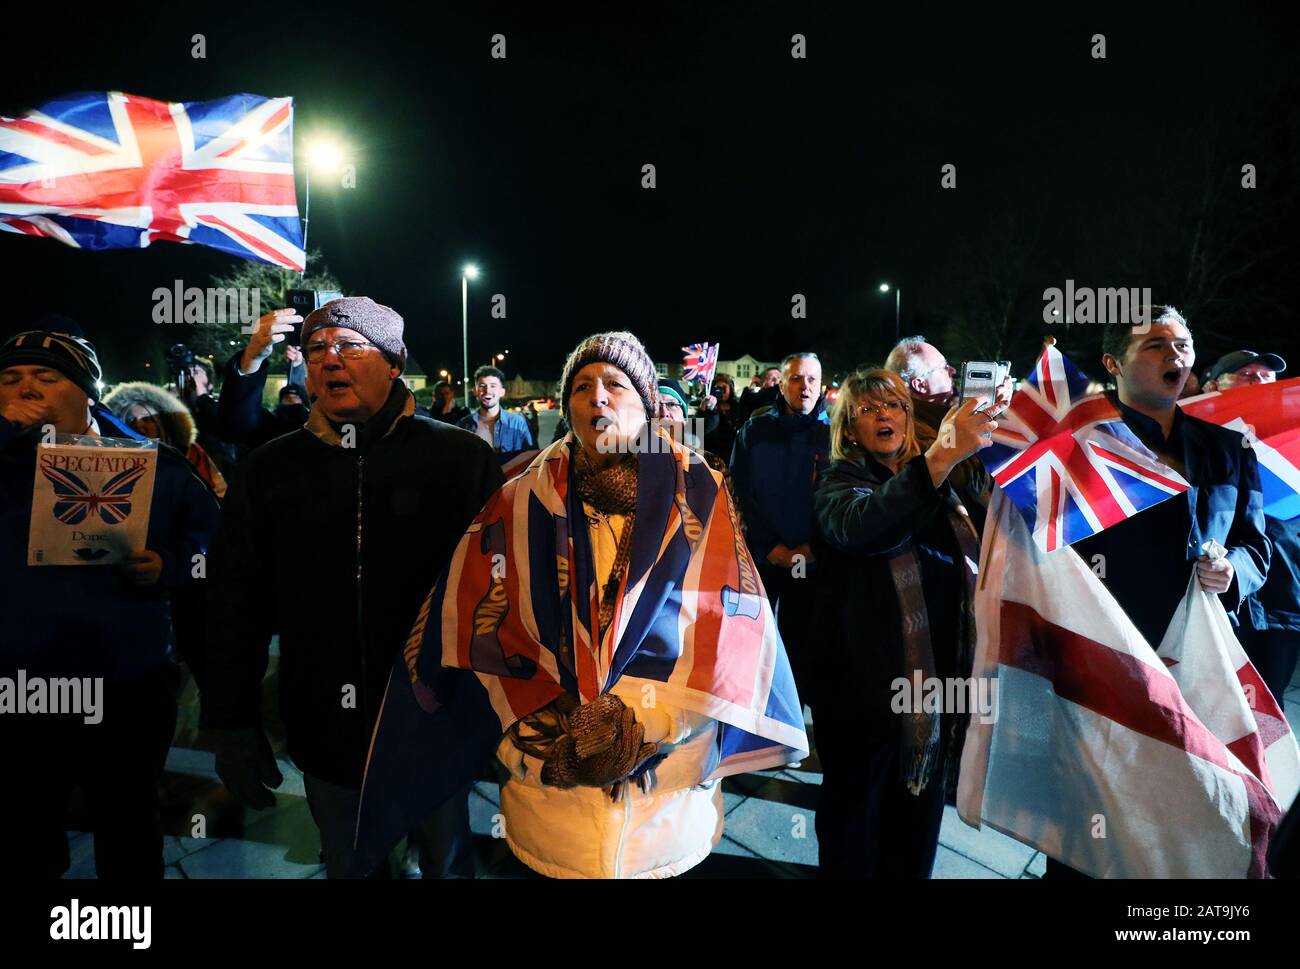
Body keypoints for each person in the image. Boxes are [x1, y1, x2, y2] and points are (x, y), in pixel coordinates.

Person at [356, 331, 807, 879]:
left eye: (615, 384)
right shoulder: (517, 499)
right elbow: (480, 629)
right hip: (551, 799)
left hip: (664, 804)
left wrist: (652, 724)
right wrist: (531, 738)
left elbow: (731, 630)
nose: (597, 397)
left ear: (645, 404)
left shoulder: (702, 493)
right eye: (582, 386)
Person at [201, 296, 504, 878]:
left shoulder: (460, 458)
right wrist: (231, 718)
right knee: (350, 863)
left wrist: (499, 710)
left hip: (434, 718)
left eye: (348, 345)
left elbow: (498, 593)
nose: (329, 360)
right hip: (325, 724)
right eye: (316, 350)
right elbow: (235, 600)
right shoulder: (271, 469)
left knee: (447, 861)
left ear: (393, 362)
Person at [1051, 307, 1271, 879]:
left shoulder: (1229, 450)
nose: (1175, 355)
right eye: (1154, 345)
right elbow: (1049, 560)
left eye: (1183, 343)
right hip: (1107, 672)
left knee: (1184, 829)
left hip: (1197, 672)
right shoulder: (1081, 450)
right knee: (1090, 836)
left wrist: (1236, 574)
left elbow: (1256, 547)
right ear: (1112, 364)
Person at [0, 329, 220, 878]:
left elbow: (217, 548)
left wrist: (169, 564)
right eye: (9, 379)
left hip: (126, 681)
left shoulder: (156, 464)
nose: (25, 388)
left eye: (46, 378)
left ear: (88, 395)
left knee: (126, 821)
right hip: (20, 683)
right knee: (25, 824)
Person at [813, 369, 996, 877]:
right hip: (864, 700)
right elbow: (863, 526)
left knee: (915, 836)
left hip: (935, 696)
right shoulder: (839, 482)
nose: (883, 415)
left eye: (892, 405)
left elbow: (1000, 513)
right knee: (855, 830)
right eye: (868, 410)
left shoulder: (945, 480)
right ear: (850, 431)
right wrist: (937, 460)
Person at [728, 352, 831, 710]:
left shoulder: (835, 432)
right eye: (796, 379)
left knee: (805, 646)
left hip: (815, 561)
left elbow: (843, 497)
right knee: (754, 641)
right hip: (763, 560)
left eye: (812, 380)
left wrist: (814, 546)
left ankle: (792, 722)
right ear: (782, 383)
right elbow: (739, 489)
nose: (805, 387)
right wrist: (768, 545)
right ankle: (752, 718)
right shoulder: (755, 430)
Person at [1204, 349, 1297, 703]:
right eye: (1245, 373)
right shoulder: (1194, 444)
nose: (1258, 379)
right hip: (1221, 599)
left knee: (1268, 710)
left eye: (1265, 374)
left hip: (1281, 602)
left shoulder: (1292, 444)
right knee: (1215, 707)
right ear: (1214, 385)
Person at [885, 335, 1010, 507]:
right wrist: (989, 417)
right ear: (920, 385)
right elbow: (971, 484)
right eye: (943, 367)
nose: (952, 370)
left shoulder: (932, 417)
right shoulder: (915, 430)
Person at [216, 309, 314, 457]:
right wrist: (252, 358)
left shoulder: (355, 429)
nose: (332, 360)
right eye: (318, 348)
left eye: (350, 346)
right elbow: (236, 426)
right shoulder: (276, 429)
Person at [105, 381, 228, 498]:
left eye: (147, 419)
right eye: (131, 420)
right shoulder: (110, 461)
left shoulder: (189, 454)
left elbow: (215, 494)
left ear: (162, 425)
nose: (138, 424)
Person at [457, 365, 534, 462]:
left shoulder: (518, 423)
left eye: (493, 386)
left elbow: (531, 458)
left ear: (502, 392)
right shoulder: (464, 425)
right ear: (475, 391)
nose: (487, 390)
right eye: (482, 386)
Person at [700, 372, 742, 462]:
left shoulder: (737, 406)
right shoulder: (707, 407)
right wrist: (703, 411)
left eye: (723, 388)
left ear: (730, 389)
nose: (720, 392)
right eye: (717, 388)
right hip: (712, 452)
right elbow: (697, 430)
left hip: (731, 452)